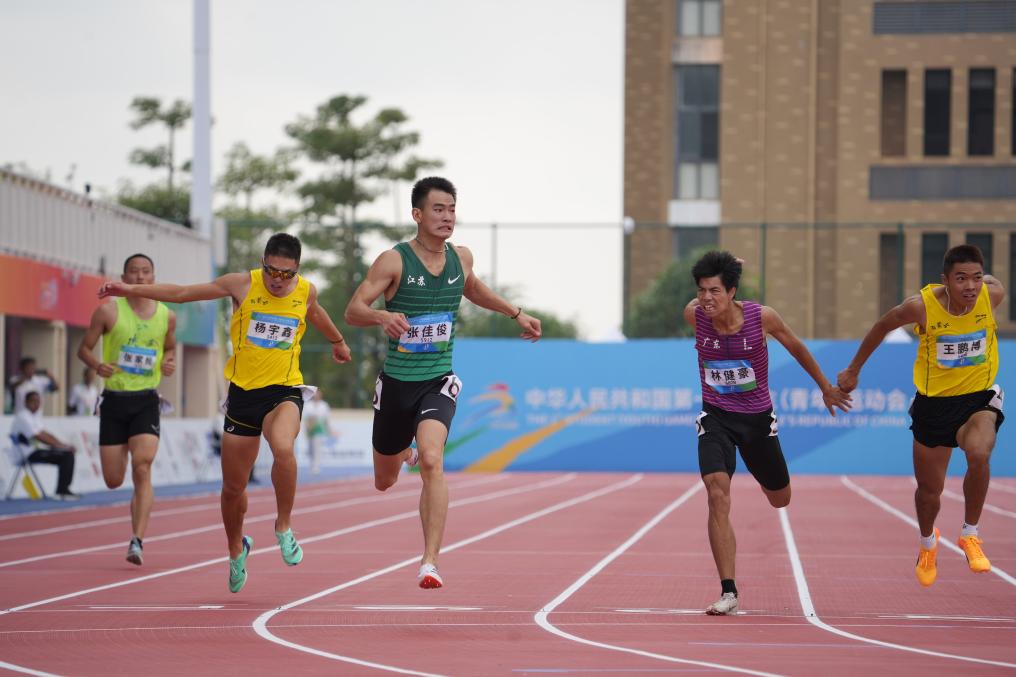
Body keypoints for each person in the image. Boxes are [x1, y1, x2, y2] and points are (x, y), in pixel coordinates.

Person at [99, 233, 351, 593]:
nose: (277, 281)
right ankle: (236, 549)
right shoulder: (241, 284)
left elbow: (316, 312)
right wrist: (129, 289)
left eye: (286, 274)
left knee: (283, 447)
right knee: (233, 488)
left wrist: (337, 341)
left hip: (284, 390)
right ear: (263, 262)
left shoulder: (305, 290)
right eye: (272, 272)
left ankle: (283, 526)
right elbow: (184, 294)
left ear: (297, 270)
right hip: (243, 395)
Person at [345, 176, 542, 589]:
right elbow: (353, 310)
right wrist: (381, 316)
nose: (447, 217)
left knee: (434, 459)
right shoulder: (393, 261)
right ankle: (402, 451)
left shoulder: (461, 257)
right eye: (438, 209)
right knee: (384, 482)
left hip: (438, 378)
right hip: (397, 384)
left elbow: (474, 289)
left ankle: (429, 561)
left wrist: (516, 313)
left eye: (451, 209)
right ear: (417, 214)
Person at [684, 251, 851, 615]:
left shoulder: (762, 318)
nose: (706, 299)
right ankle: (728, 592)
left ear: (732, 292)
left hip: (758, 422)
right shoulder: (694, 315)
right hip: (715, 418)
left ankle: (764, 474)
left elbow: (798, 349)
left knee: (780, 498)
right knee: (716, 493)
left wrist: (825, 387)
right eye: (701, 291)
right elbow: (700, 303)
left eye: (715, 291)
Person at [837, 244, 1005, 587]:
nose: (970, 287)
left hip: (978, 398)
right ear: (945, 280)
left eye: (976, 278)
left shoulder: (992, 295)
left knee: (979, 452)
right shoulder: (921, 307)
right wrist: (853, 371)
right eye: (961, 279)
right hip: (934, 406)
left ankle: (970, 534)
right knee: (930, 492)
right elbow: (881, 326)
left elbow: (990, 281)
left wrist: (984, 279)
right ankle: (928, 542)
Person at [78, 253, 176, 565]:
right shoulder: (108, 311)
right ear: (124, 277)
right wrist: (97, 364)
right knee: (114, 479)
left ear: (153, 277)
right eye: (133, 272)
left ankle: (137, 540)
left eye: (146, 272)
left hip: (146, 399)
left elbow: (170, 347)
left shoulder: (166, 315)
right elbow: (84, 348)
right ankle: (134, 529)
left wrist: (168, 360)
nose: (139, 277)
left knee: (143, 466)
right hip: (114, 400)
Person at [9, 391, 79, 500]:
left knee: (67, 453)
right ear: (26, 402)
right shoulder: (23, 417)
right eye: (33, 401)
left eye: (38, 401)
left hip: (35, 451)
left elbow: (45, 433)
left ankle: (63, 490)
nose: (36, 404)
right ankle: (62, 491)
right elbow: (38, 436)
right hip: (26, 454)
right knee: (66, 455)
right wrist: (60, 447)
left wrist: (62, 445)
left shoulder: (34, 416)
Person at [303, 389, 331, 475]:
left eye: (318, 395)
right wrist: (308, 428)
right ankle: (312, 465)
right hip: (310, 430)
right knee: (311, 449)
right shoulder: (308, 405)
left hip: (319, 429)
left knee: (317, 449)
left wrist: (328, 430)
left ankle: (316, 467)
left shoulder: (324, 405)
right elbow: (306, 418)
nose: (316, 396)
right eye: (315, 395)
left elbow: (326, 419)